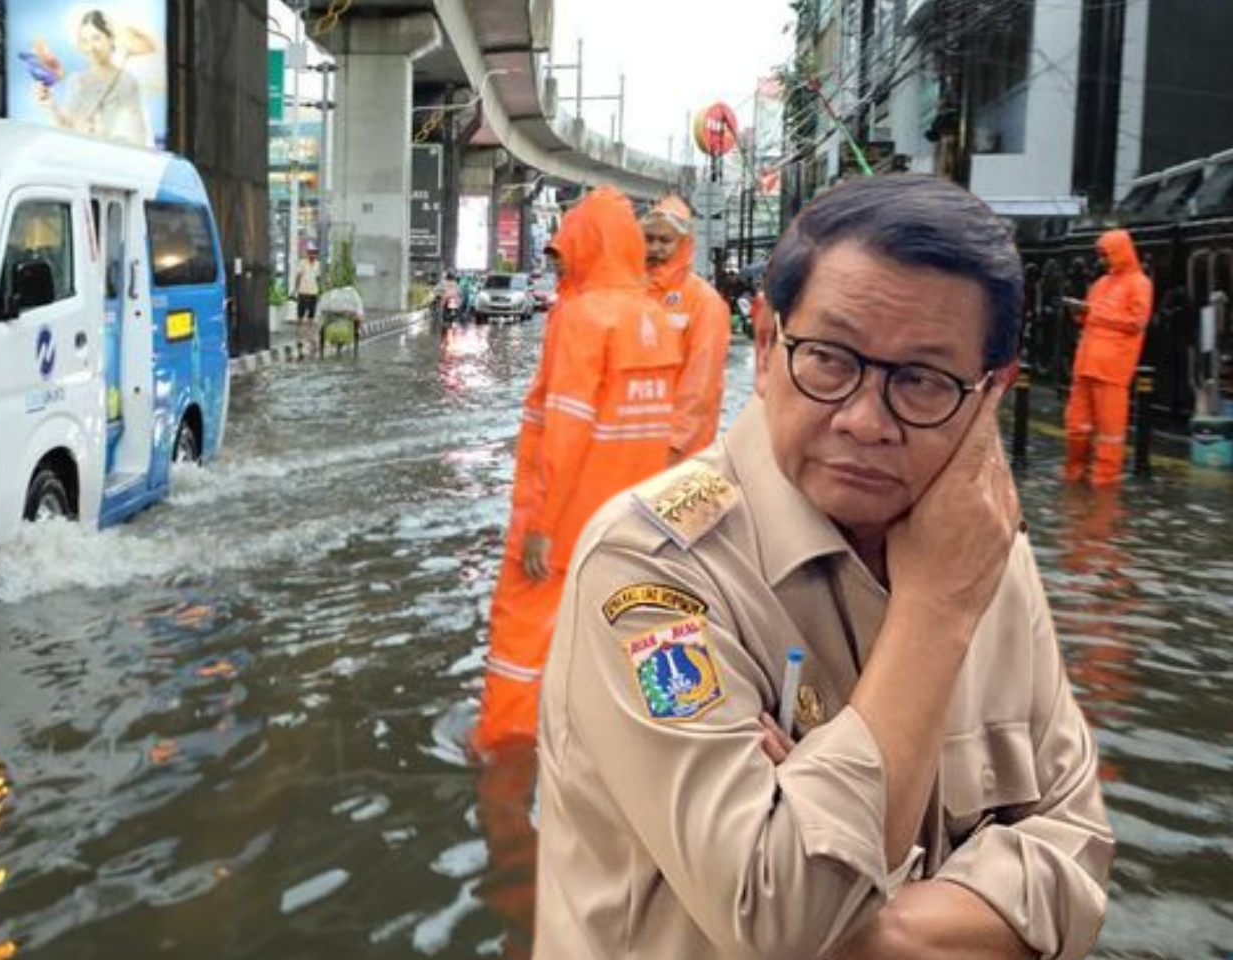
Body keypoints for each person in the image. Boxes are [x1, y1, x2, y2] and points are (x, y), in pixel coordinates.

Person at [533, 175, 1112, 960]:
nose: (866, 421)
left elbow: (1079, 864)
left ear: (990, 395)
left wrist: (870, 920)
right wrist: (934, 615)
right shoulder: (649, 570)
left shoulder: (990, 554)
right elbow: (783, 922)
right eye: (831, 359)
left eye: (921, 381)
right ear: (767, 345)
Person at [473, 186, 683, 757]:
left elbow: (565, 432)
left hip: (563, 526)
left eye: (566, 248)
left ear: (589, 243)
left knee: (519, 638)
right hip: (633, 525)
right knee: (635, 634)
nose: (559, 260)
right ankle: (660, 744)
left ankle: (503, 754)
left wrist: (541, 525)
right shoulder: (656, 319)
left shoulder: (583, 318)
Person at [644, 196, 733, 464]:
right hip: (635, 447)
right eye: (650, 239)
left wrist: (675, 446)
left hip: (680, 453)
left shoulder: (704, 301)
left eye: (665, 240)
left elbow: (700, 387)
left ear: (684, 243)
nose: (656, 248)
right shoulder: (633, 291)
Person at [1063, 229, 1154, 487]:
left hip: (1113, 369)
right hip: (1086, 365)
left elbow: (1136, 322)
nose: (1102, 259)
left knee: (1109, 434)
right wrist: (1080, 312)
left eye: (1106, 254)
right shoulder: (1101, 284)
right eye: (1101, 254)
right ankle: (1074, 477)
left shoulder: (1140, 284)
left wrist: (1092, 313)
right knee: (1076, 428)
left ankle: (1104, 485)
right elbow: (1090, 319)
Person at [34, 9, 154, 147]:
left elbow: (141, 135)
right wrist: (52, 107)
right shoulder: (76, 81)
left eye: (96, 38)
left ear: (110, 38)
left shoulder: (127, 81)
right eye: (85, 40)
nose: (91, 47)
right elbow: (68, 131)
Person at [292, 248, 322, 325]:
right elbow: (298, 276)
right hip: (303, 291)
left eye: (314, 254)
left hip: (313, 291)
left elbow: (318, 278)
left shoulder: (318, 264)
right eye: (311, 253)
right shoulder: (302, 262)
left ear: (316, 255)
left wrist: (319, 290)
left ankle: (310, 330)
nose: (312, 255)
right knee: (300, 312)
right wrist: (295, 289)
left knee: (312, 312)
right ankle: (299, 330)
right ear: (307, 254)